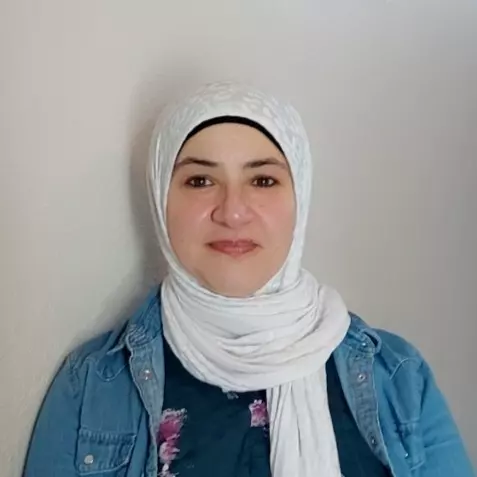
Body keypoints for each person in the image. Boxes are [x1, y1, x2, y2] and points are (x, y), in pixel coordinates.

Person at [23, 82, 474, 477]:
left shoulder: (398, 378)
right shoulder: (92, 387)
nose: (233, 211)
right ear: (161, 199)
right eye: (200, 181)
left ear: (300, 197)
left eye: (262, 181)